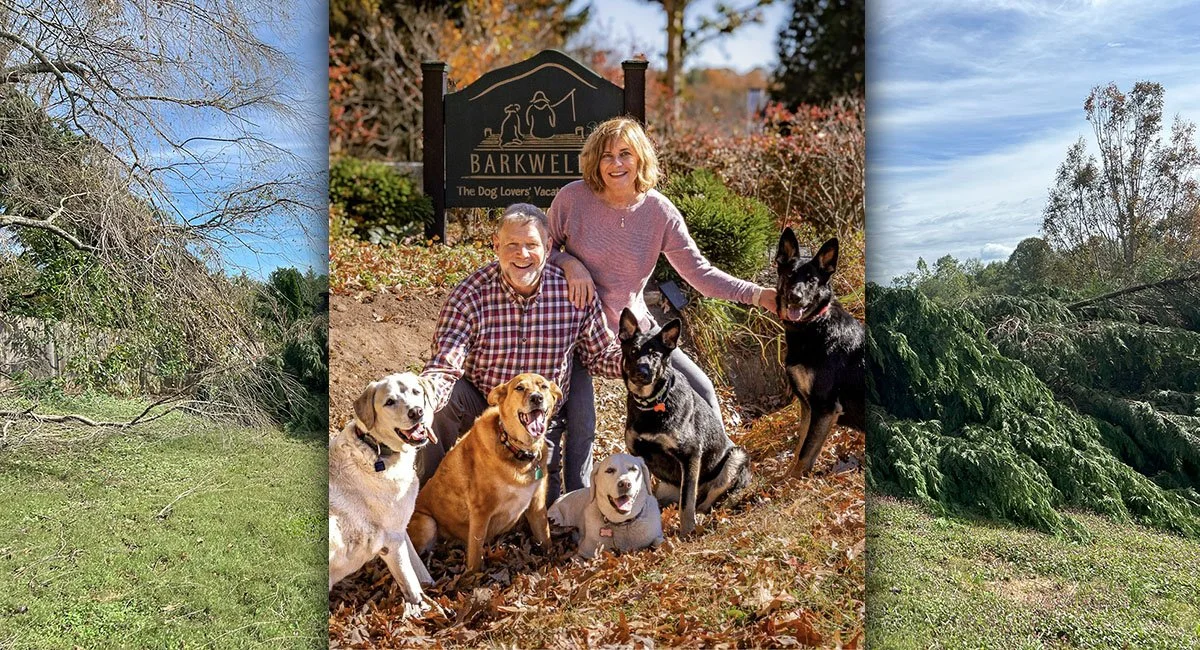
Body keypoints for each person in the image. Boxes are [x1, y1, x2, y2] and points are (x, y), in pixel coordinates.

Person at [547, 117, 777, 428]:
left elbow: (700, 273)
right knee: (580, 426)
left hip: (635, 331)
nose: (616, 163)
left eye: (625, 154)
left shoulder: (659, 212)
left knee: (702, 391)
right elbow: (541, 252)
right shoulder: (572, 199)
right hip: (575, 330)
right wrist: (569, 263)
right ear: (595, 161)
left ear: (640, 158)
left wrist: (758, 295)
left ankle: (723, 459)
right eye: (606, 155)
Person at [419, 203, 622, 504]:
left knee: (544, 504)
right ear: (496, 245)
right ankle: (425, 498)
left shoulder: (572, 293)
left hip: (538, 417)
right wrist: (424, 400)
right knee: (442, 404)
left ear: (548, 247)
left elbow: (600, 355)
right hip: (486, 404)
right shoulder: (470, 294)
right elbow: (445, 363)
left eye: (531, 245)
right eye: (512, 245)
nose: (521, 254)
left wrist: (639, 363)